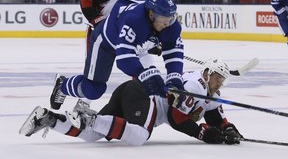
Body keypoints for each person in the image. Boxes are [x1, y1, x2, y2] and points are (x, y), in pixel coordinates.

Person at [19, 58, 242, 146]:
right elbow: (177, 119)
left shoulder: (210, 92)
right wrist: (202, 133)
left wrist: (228, 129)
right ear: (206, 73)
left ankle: (49, 118)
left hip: (131, 91)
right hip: (145, 96)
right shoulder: (195, 86)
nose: (219, 82)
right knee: (138, 136)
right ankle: (89, 116)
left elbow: (215, 116)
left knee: (95, 135)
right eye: (216, 77)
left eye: (222, 79)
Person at [49, 0, 184, 113]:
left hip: (130, 42)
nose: (167, 24)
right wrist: (146, 76)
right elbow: (124, 60)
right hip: (105, 43)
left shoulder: (170, 25)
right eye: (163, 20)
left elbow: (173, 51)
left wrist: (175, 79)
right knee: (93, 90)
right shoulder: (133, 20)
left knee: (144, 82)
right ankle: (63, 85)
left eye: (170, 18)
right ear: (151, 14)